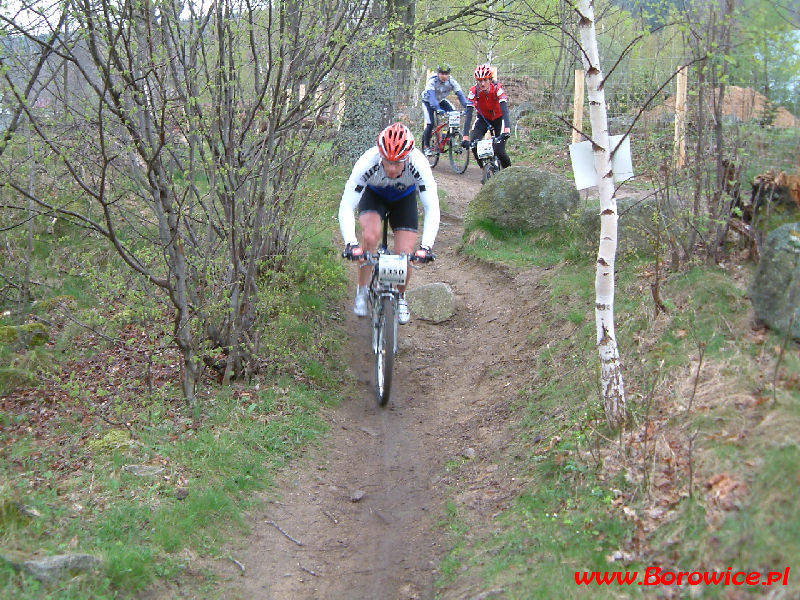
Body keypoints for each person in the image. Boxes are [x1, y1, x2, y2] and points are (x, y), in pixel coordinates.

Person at [338, 122, 439, 324]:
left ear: (408, 157)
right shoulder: (367, 161)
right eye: (387, 162)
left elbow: (432, 207)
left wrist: (426, 247)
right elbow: (347, 205)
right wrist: (351, 243)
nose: (392, 168)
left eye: (398, 163)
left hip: (404, 199)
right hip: (374, 195)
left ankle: (400, 297)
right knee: (370, 237)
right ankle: (363, 289)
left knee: (405, 253)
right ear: (380, 155)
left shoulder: (419, 164)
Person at [461, 63, 512, 170]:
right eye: (480, 81)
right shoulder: (473, 92)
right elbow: (469, 114)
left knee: (499, 150)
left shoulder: (498, 90)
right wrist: (465, 137)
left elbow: (505, 110)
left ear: (490, 79)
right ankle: (485, 170)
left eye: (485, 80)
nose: (482, 83)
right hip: (483, 119)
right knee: (474, 146)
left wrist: (507, 129)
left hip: (499, 119)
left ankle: (509, 172)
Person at [421, 64, 469, 155]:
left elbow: (460, 94)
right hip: (428, 101)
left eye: (446, 74)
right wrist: (438, 109)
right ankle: (426, 146)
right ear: (438, 73)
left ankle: (447, 137)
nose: (444, 76)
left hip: (441, 100)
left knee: (454, 115)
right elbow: (431, 97)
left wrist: (467, 107)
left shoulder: (452, 81)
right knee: (430, 123)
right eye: (442, 74)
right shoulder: (432, 81)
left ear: (449, 74)